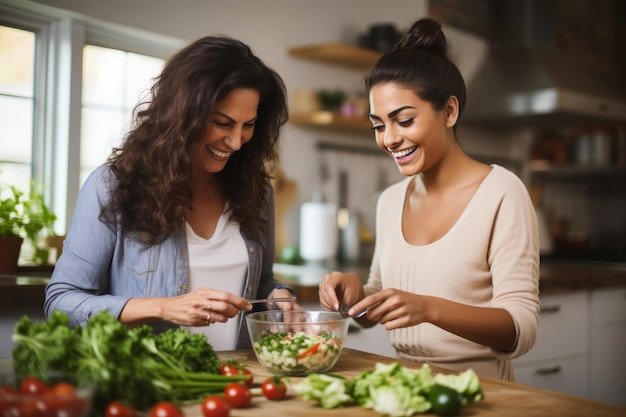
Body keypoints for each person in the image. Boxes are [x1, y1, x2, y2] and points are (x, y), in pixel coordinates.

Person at [44, 35, 299, 350]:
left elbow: (259, 284)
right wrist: (164, 307)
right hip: (150, 384)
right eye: (223, 123)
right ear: (182, 114)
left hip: (237, 383)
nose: (235, 142)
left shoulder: (256, 191)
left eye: (248, 125)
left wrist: (278, 296)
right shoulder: (112, 186)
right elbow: (61, 302)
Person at [318, 18, 540, 381]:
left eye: (403, 120)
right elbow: (382, 298)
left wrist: (429, 309)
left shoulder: (502, 192)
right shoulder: (389, 200)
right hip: (405, 386)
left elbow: (522, 327)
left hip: (482, 392)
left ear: (449, 112)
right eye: (378, 125)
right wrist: (356, 297)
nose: (389, 139)